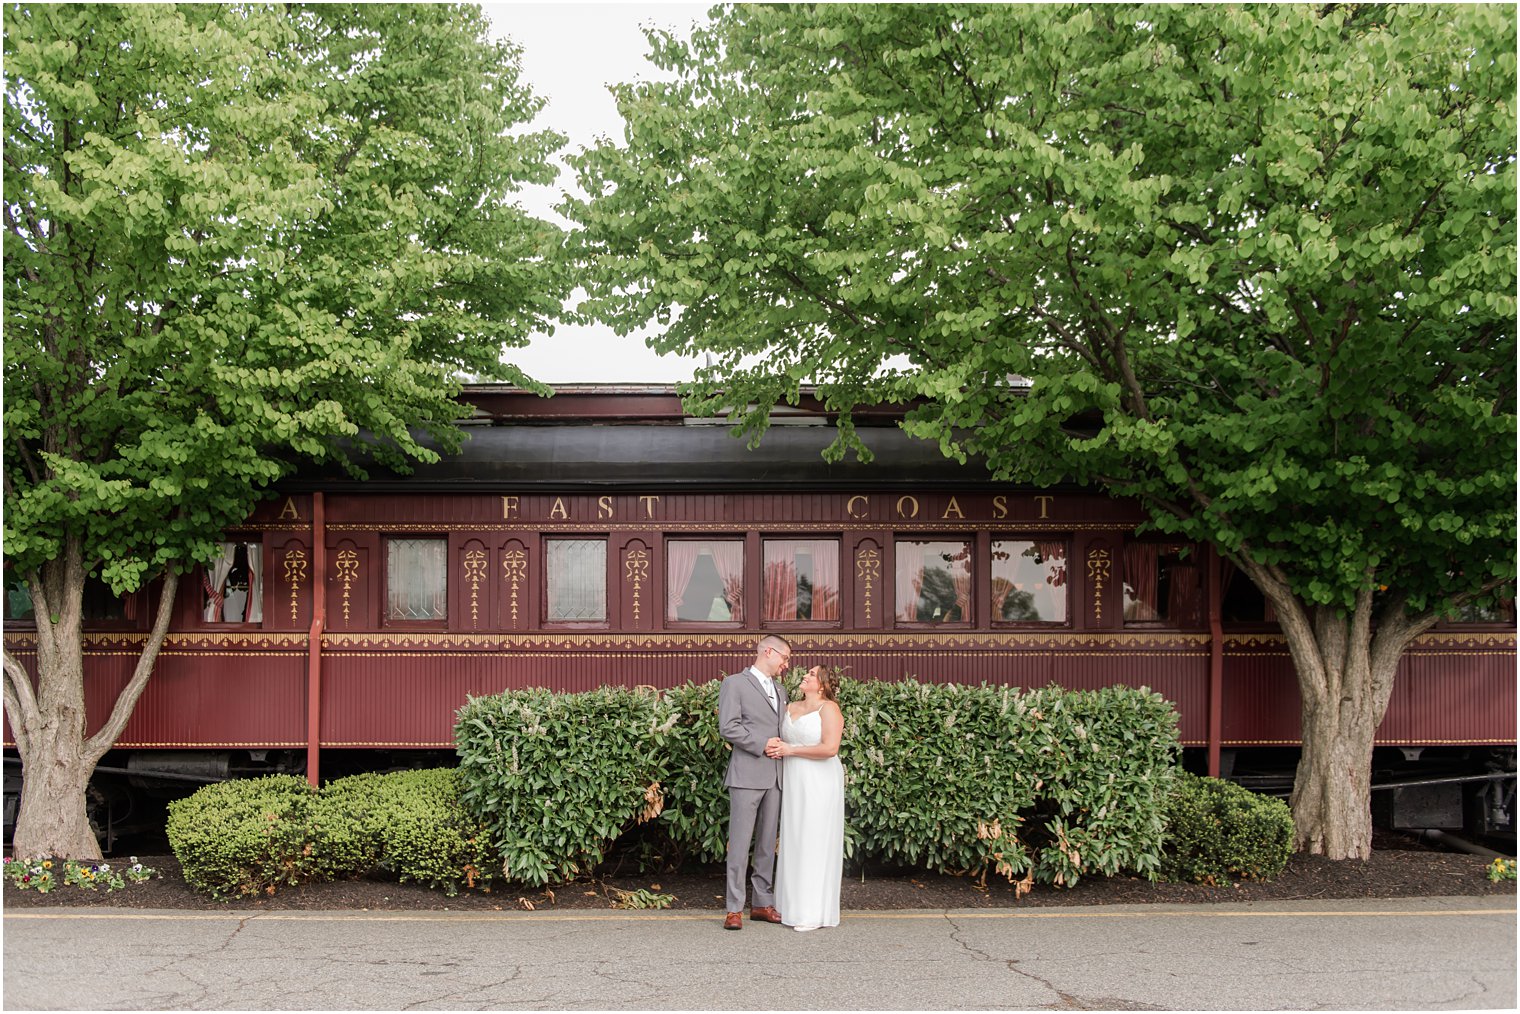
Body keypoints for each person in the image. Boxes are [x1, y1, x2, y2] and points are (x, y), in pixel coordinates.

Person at [716, 633, 792, 930]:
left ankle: (762, 903)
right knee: (739, 843)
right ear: (769, 652)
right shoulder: (734, 684)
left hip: (775, 777)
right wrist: (762, 743)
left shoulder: (781, 690)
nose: (786, 664)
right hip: (747, 774)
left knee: (765, 844)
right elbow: (728, 727)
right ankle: (734, 908)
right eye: (785, 658)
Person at [766, 665, 844, 931]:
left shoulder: (829, 709)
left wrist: (791, 749)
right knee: (794, 837)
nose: (805, 676)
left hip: (819, 779)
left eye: (811, 674)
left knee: (814, 838)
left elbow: (830, 748)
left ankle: (812, 911)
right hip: (793, 778)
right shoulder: (790, 706)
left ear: (821, 685)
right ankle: (790, 906)